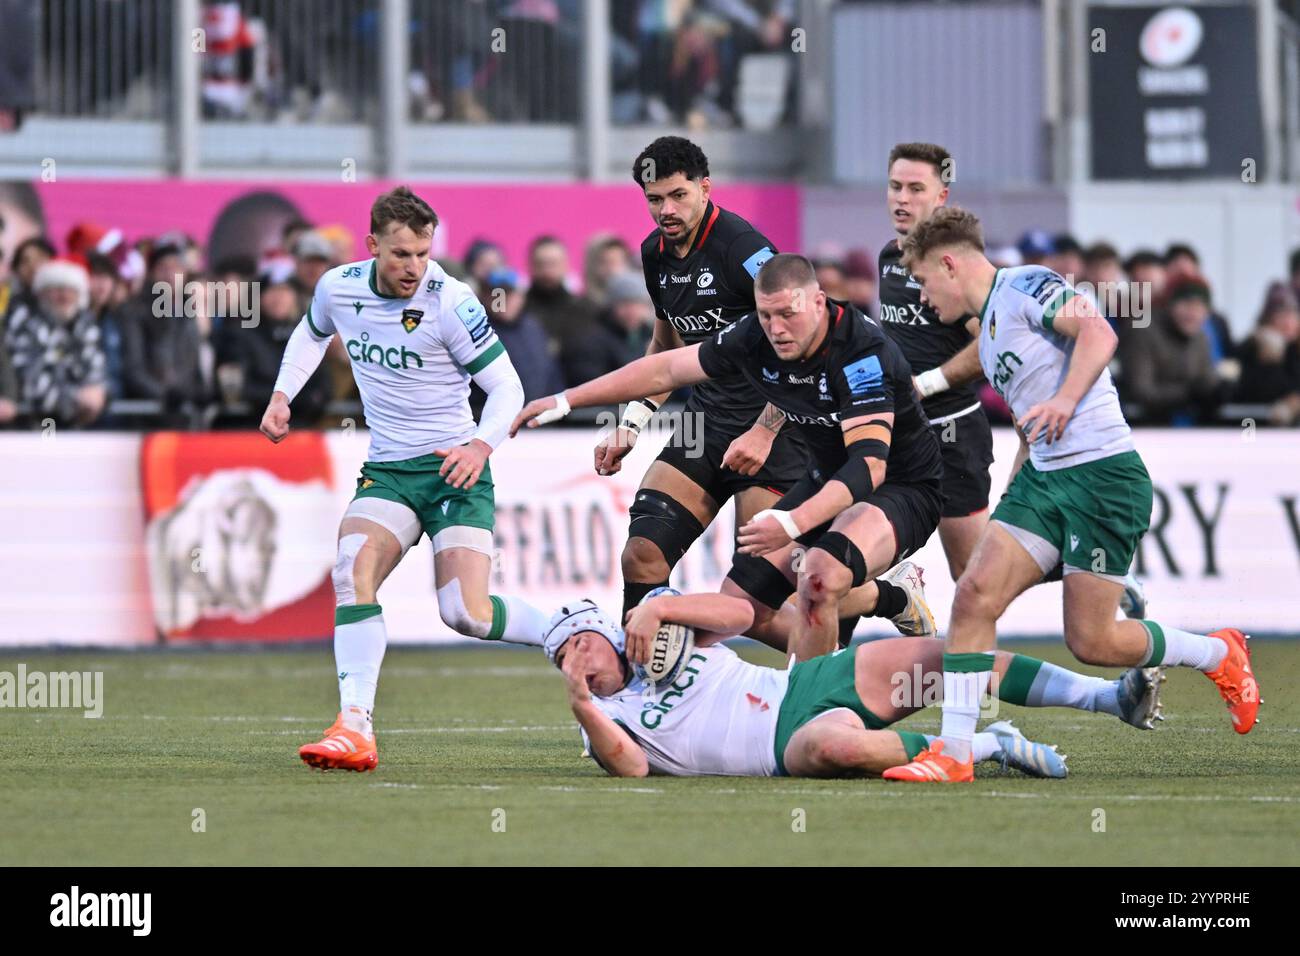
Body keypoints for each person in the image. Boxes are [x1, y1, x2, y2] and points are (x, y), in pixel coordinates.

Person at [882, 207, 1259, 784]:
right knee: (975, 594)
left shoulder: (1027, 284)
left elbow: (1099, 331)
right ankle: (954, 754)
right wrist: (1014, 488)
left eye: (926, 282)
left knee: (1094, 642)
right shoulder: (985, 335)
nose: (926, 299)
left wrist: (1064, 402)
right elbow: (1030, 419)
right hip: (1045, 479)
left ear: (950, 263)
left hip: (1104, 478)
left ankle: (1219, 653)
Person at [512, 252, 943, 663]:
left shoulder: (862, 351)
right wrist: (566, 400)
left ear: (819, 301)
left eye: (787, 315)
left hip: (900, 488)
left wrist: (792, 522)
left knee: (818, 576)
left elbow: (869, 465)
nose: (775, 329)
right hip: (823, 477)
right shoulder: (757, 334)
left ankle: (819, 709)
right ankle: (863, 631)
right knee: (743, 606)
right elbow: (666, 369)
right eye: (765, 315)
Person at [259, 186, 551, 772]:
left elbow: (508, 389)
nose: (414, 267)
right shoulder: (337, 288)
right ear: (372, 247)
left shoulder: (452, 301)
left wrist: (479, 445)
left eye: (422, 253)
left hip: (452, 469)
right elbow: (311, 334)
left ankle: (567, 630)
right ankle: (354, 726)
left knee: (464, 613)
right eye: (400, 255)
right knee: (351, 568)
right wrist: (282, 394)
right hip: (390, 470)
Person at [599, 136, 850, 638]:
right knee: (642, 555)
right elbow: (665, 347)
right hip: (707, 424)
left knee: (757, 602)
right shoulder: (654, 254)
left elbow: (813, 339)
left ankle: (884, 602)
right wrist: (631, 424)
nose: (666, 210)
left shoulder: (744, 250)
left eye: (678, 196)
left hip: (780, 431)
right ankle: (643, 693)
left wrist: (763, 431)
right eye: (654, 199)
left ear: (704, 187)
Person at [546, 591, 1165, 779]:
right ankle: (991, 745)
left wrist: (661, 609)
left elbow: (740, 615)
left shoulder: (657, 631)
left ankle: (1109, 699)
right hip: (780, 744)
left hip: (811, 681)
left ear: (605, 630)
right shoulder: (602, 718)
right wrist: (581, 702)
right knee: (837, 749)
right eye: (562, 659)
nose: (577, 661)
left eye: (579, 643)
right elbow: (632, 771)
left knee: (950, 660)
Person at [877, 143, 993, 581]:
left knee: (973, 576)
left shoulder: (958, 268)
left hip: (954, 434)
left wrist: (926, 384)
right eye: (894, 186)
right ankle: (895, 597)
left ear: (941, 196)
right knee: (840, 554)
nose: (902, 198)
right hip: (897, 431)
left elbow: (992, 346)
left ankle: (1079, 571)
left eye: (915, 188)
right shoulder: (889, 256)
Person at [5, 258, 107, 429]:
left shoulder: (87, 325)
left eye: (70, 290)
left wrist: (97, 394)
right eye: (57, 289)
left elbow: (96, 368)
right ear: (42, 293)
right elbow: (28, 377)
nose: (64, 296)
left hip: (82, 423)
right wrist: (75, 398)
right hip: (34, 423)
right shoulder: (25, 323)